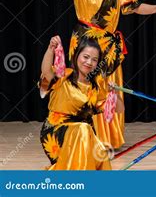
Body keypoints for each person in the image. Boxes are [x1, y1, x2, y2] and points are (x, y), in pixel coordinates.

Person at [26, 0, 156, 149]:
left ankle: (110, 139)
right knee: (85, 87)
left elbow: (135, 6)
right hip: (84, 44)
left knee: (108, 87)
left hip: (108, 47)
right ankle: (87, 135)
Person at [38, 36, 120, 170]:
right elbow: (46, 72)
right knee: (83, 129)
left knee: (99, 150)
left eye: (94, 60)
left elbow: (119, 109)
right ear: (76, 56)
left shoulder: (95, 87)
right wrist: (50, 50)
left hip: (84, 134)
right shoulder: (63, 75)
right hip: (57, 130)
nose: (89, 62)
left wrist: (115, 93)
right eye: (86, 57)